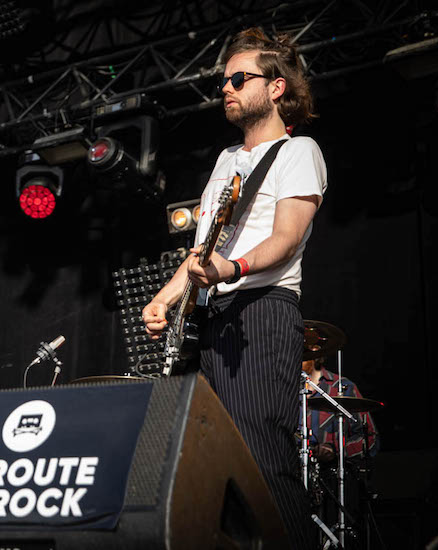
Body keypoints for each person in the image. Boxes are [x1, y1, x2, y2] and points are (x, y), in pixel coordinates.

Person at [141, 28, 327, 549]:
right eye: (223, 80)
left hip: (262, 312)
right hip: (213, 318)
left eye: (239, 78)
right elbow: (201, 252)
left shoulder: (298, 152)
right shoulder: (227, 161)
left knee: (262, 458)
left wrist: (233, 268)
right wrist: (165, 298)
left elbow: (287, 238)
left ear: (274, 87)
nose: (226, 88)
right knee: (214, 467)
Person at [303, 359, 379, 463]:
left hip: (330, 473)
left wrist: (335, 449)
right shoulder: (283, 390)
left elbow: (370, 439)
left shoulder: (343, 387)